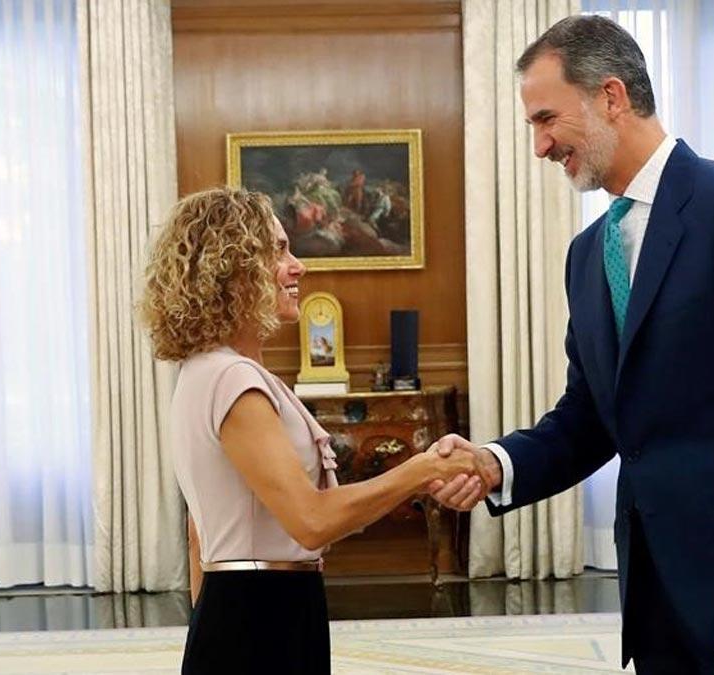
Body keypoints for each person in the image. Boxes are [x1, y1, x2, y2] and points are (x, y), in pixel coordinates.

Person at [429, 15, 714, 674]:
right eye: (532, 128)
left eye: (547, 119)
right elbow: (591, 418)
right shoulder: (586, 255)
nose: (540, 146)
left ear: (611, 97)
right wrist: (496, 463)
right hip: (657, 601)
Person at [138, 187, 477, 674]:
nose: (299, 266)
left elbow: (199, 534)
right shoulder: (234, 378)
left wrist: (213, 630)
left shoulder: (206, 371)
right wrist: (424, 468)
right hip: (262, 617)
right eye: (278, 251)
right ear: (232, 270)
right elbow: (311, 521)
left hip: (247, 610)